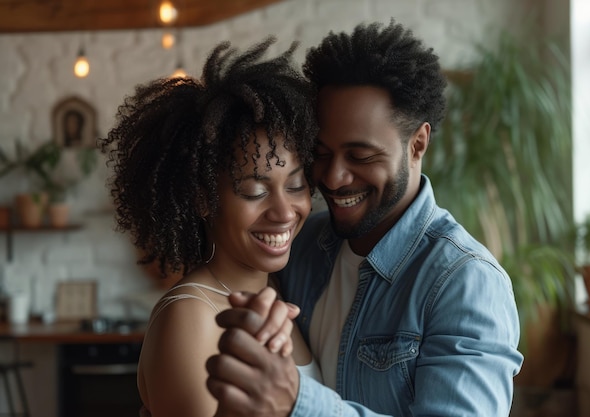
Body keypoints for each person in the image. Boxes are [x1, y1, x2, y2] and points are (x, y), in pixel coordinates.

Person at [206, 20, 525, 417]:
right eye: (321, 153)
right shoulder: (302, 248)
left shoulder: (465, 282)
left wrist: (297, 404)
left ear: (418, 144)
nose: (333, 178)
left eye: (361, 156)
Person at [98, 37, 321, 417]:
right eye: (254, 191)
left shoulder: (283, 295)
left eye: (297, 185)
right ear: (204, 198)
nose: (284, 211)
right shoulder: (190, 317)